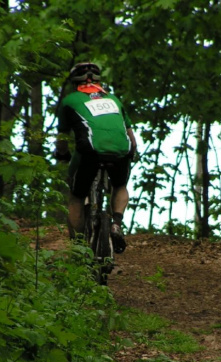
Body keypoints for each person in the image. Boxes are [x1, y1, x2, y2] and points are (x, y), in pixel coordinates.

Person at [55, 62, 137, 253]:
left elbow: (62, 138)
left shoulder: (69, 101)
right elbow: (131, 137)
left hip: (89, 152)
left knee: (76, 196)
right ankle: (116, 222)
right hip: (120, 151)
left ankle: (77, 246)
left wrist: (62, 154)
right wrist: (131, 152)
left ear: (74, 81)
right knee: (120, 186)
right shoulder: (114, 100)